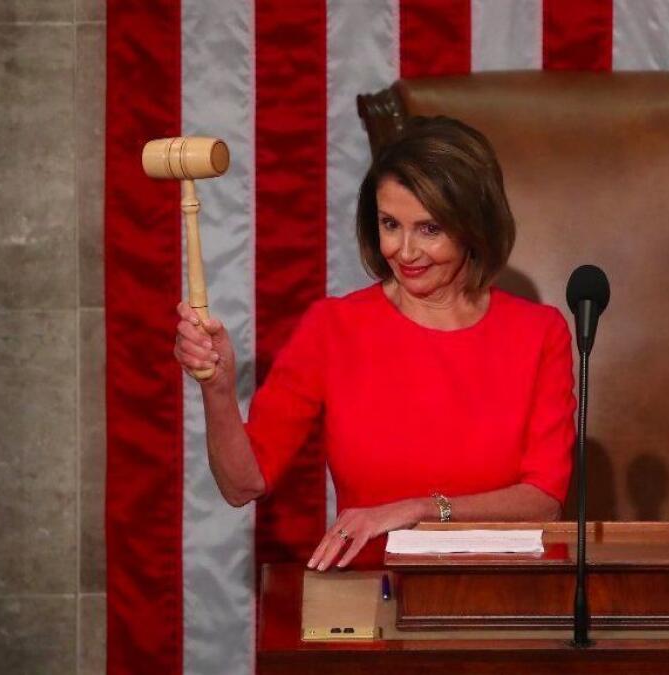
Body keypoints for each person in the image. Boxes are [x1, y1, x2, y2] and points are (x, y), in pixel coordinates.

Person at [174, 116, 576, 571]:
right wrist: (219, 389)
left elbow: (543, 502)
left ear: (474, 225)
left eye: (429, 229)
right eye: (390, 224)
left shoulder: (540, 332)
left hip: (506, 602)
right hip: (373, 603)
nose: (404, 252)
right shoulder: (333, 327)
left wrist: (420, 510)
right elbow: (243, 484)